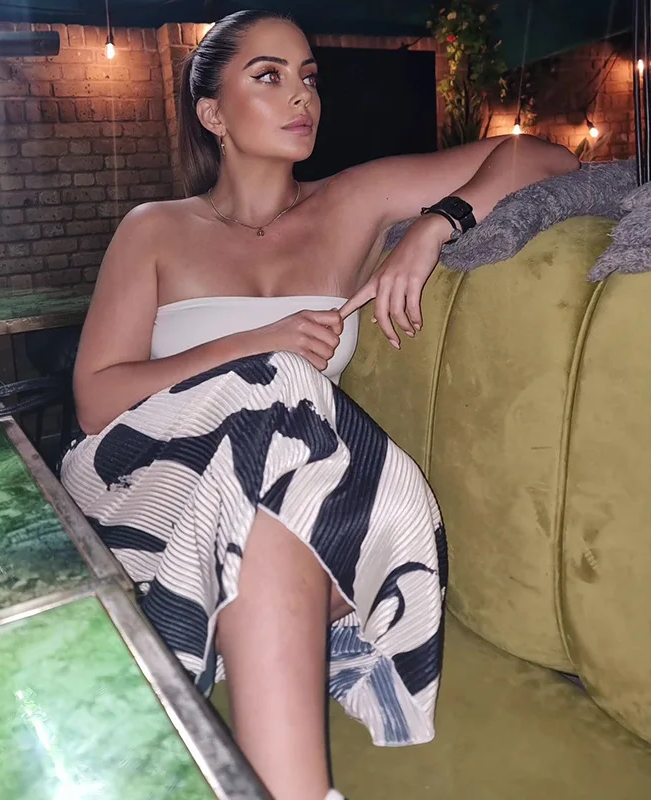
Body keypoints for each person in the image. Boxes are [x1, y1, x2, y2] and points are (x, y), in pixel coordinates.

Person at [61, 10, 580, 800]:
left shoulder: (352, 201)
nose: (301, 95)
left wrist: (437, 224)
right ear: (213, 113)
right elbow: (97, 400)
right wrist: (255, 346)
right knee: (278, 404)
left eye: (308, 76)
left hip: (291, 498)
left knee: (277, 499)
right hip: (156, 488)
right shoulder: (155, 230)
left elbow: (543, 156)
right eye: (268, 77)